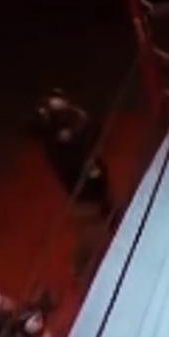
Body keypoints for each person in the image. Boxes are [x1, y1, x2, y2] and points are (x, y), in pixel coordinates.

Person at [32, 88, 116, 280]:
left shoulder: (75, 126)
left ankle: (85, 263)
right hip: (83, 195)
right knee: (92, 238)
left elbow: (95, 131)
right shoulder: (55, 147)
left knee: (107, 215)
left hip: (96, 184)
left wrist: (79, 118)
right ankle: (81, 271)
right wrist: (74, 135)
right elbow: (74, 161)